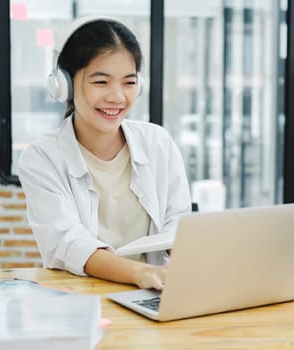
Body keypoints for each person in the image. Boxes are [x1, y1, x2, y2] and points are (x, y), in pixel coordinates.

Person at [18, 16, 191, 291]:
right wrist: (139, 272)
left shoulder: (158, 143)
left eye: (128, 82)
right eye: (101, 82)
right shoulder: (41, 159)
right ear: (65, 84)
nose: (117, 97)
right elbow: (68, 242)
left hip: (155, 292)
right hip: (82, 296)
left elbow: (178, 222)